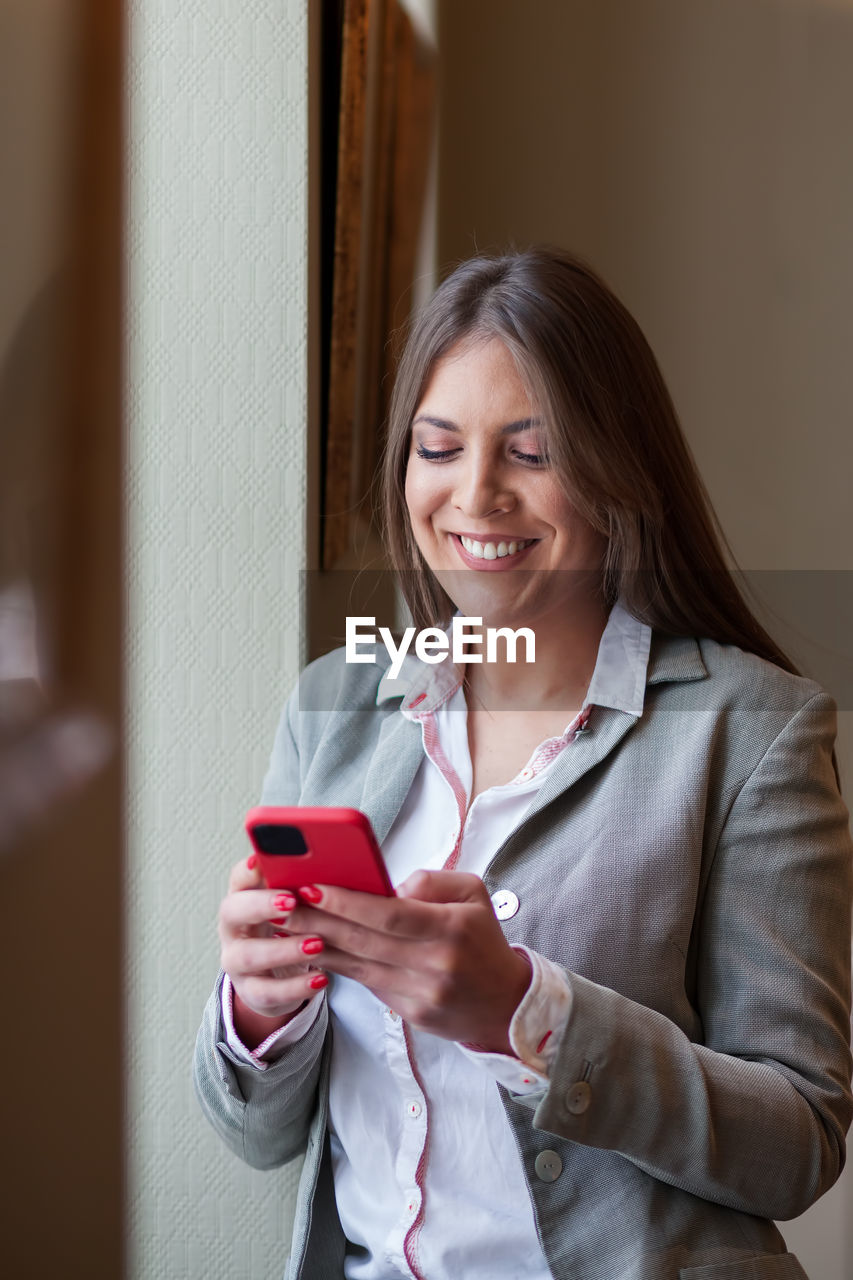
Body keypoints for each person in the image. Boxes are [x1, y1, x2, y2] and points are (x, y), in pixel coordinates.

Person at [194, 248, 853, 1280]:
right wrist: (258, 1007)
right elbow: (260, 1137)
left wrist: (528, 1013)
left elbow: (799, 1139)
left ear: (616, 468)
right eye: (438, 446)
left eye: (531, 451)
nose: (474, 493)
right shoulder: (337, 705)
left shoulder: (752, 729)